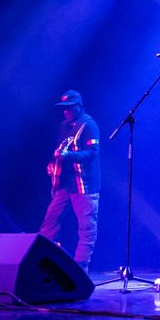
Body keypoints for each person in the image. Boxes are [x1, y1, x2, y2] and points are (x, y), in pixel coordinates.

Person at [39, 90, 101, 271]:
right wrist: (53, 164)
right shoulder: (65, 125)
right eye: (64, 109)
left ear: (79, 106)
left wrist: (69, 156)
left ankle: (81, 268)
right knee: (50, 221)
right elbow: (60, 151)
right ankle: (39, 260)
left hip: (85, 186)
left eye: (69, 108)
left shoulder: (89, 125)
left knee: (86, 229)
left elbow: (92, 154)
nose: (65, 112)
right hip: (65, 185)